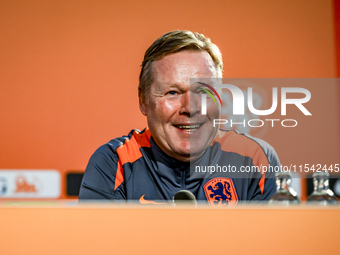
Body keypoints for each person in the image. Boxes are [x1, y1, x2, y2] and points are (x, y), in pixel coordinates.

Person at [78, 30, 280, 206]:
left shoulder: (254, 159)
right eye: (172, 92)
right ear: (143, 100)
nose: (190, 108)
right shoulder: (115, 162)